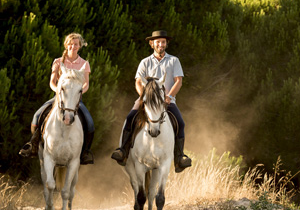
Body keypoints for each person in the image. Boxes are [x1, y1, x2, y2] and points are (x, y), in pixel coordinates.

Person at [111, 30, 192, 173]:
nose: (161, 44)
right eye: (158, 42)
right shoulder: (145, 62)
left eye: (163, 42)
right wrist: (144, 96)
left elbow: (178, 81)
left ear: (166, 44)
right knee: (130, 118)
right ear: (152, 44)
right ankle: (123, 151)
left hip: (167, 101)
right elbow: (137, 82)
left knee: (180, 123)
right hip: (146, 100)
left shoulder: (174, 61)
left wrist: (169, 96)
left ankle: (179, 158)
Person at [19, 32, 95, 164]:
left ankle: (86, 152)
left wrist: (79, 92)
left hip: (75, 99)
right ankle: (33, 145)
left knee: (89, 122)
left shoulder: (84, 64)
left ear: (80, 46)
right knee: (37, 116)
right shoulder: (58, 62)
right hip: (59, 97)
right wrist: (58, 91)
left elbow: (86, 83)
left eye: (76, 44)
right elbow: (52, 81)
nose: (73, 46)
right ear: (66, 45)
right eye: (71, 44)